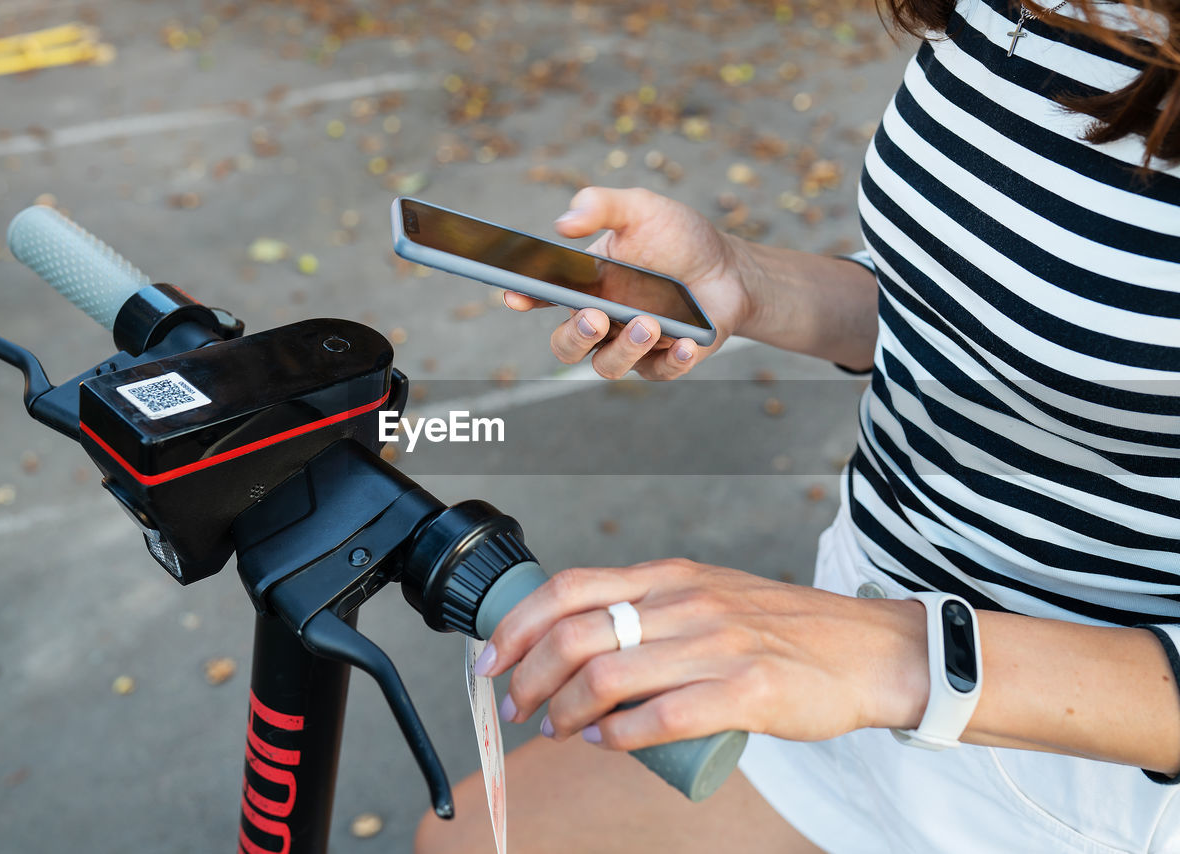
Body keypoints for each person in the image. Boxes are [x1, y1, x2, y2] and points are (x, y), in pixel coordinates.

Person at [415, 0, 1180, 849]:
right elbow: (966, 319)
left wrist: (896, 657)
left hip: (1085, 768)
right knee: (465, 839)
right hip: (849, 643)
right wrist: (741, 281)